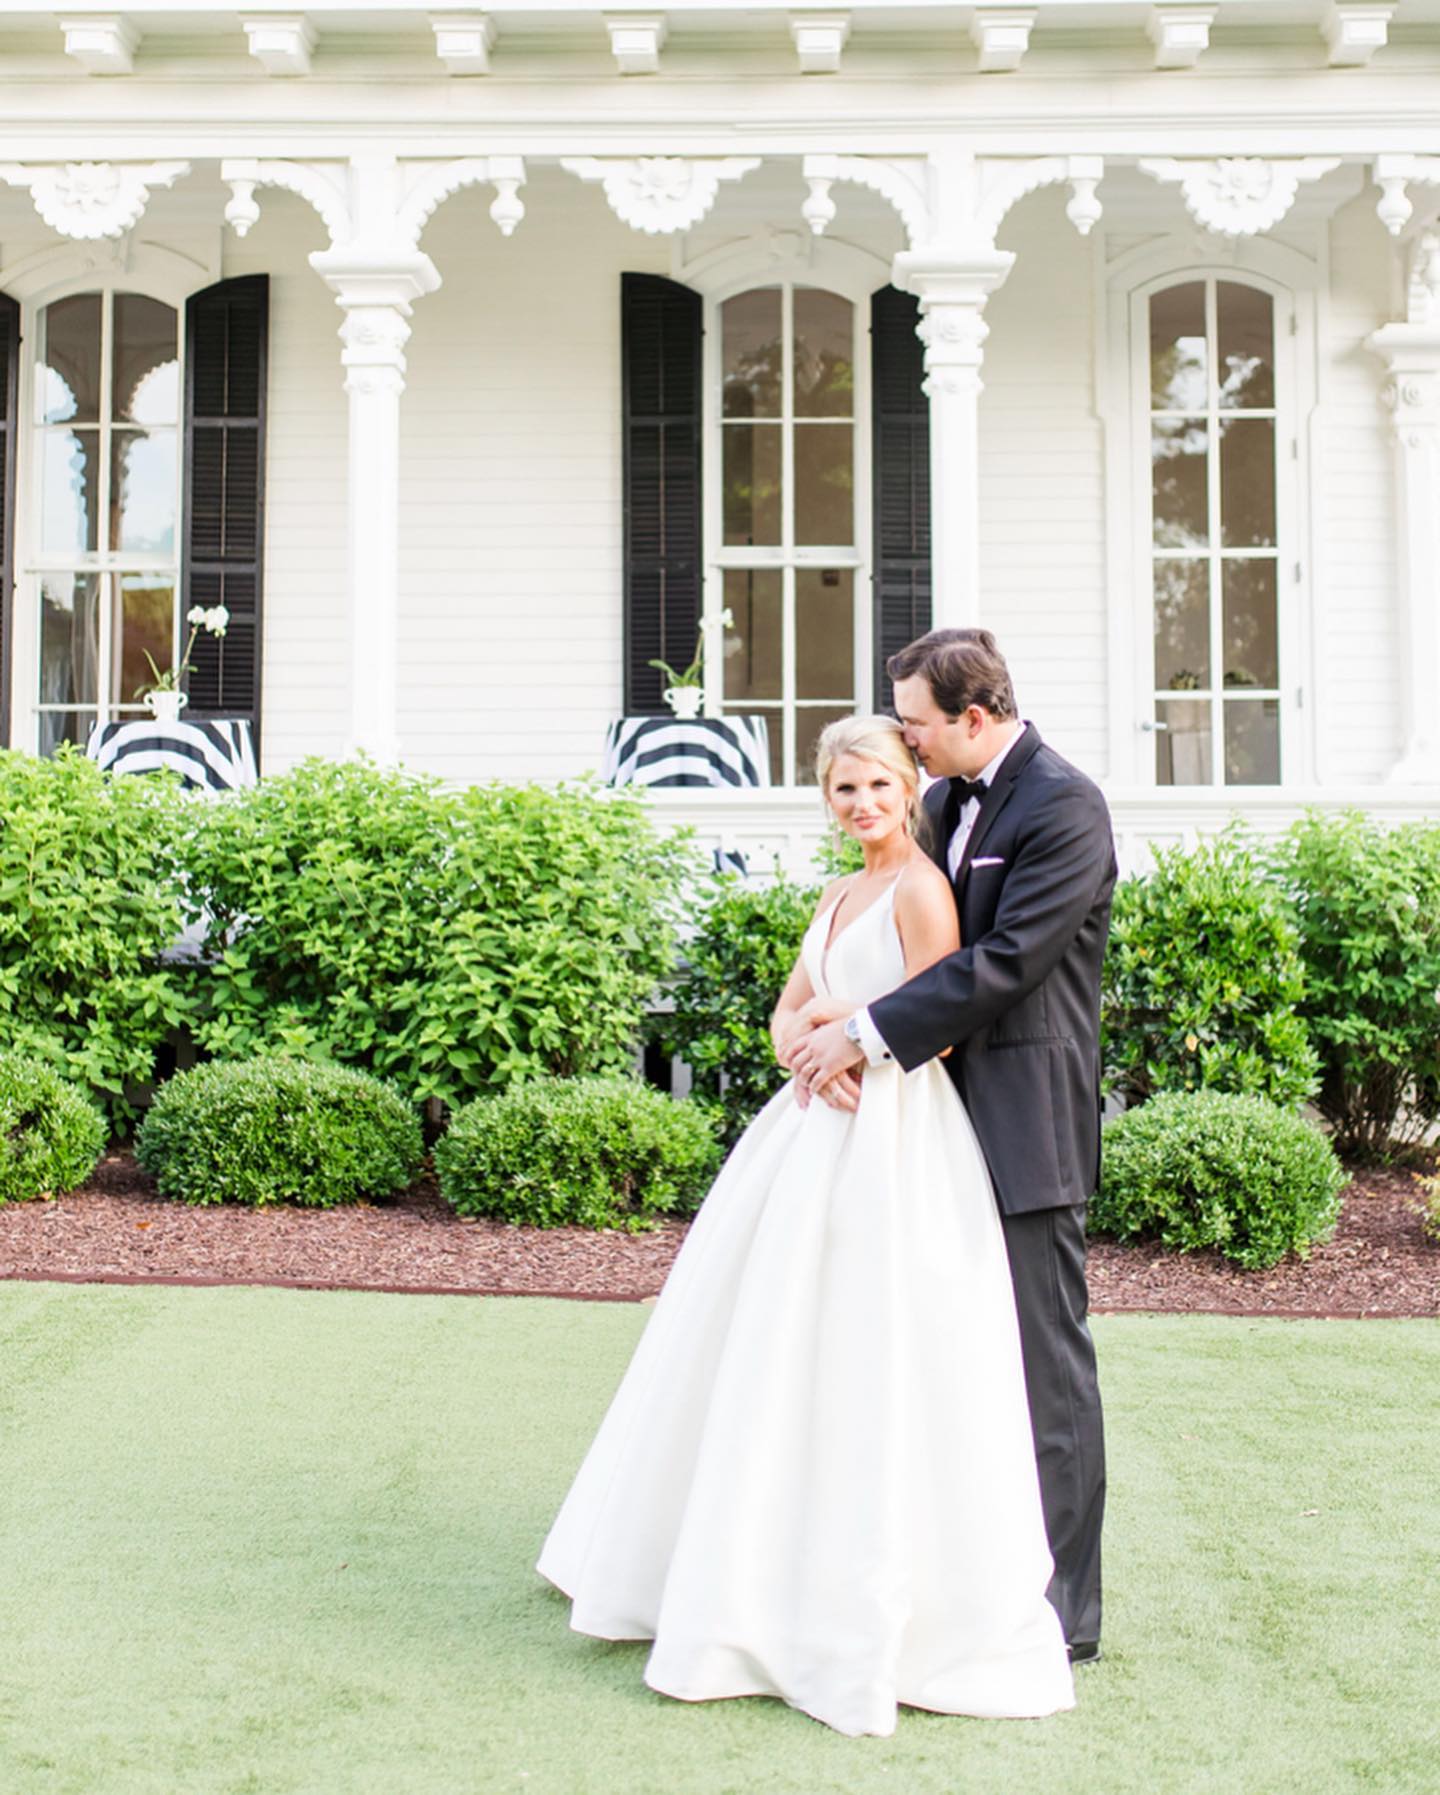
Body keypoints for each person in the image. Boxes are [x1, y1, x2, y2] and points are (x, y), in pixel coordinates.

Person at [537, 714, 1075, 1738]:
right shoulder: (837, 892)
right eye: (843, 791)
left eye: (877, 784)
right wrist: (803, 1044)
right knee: (766, 1331)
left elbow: (942, 1022)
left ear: (909, 784)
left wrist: (850, 1047)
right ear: (826, 801)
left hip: (894, 1135)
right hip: (807, 1128)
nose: (862, 805)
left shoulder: (924, 890)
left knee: (872, 1338)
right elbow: (791, 1006)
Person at [786, 629, 1117, 1664]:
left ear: (973, 718)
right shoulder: (946, 807)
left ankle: (1062, 1616)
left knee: (1041, 1369)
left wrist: (859, 1032)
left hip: (1022, 1124)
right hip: (932, 1127)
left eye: (919, 726)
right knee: (945, 1364)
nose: (910, 745)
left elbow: (1006, 963)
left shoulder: (1064, 805)